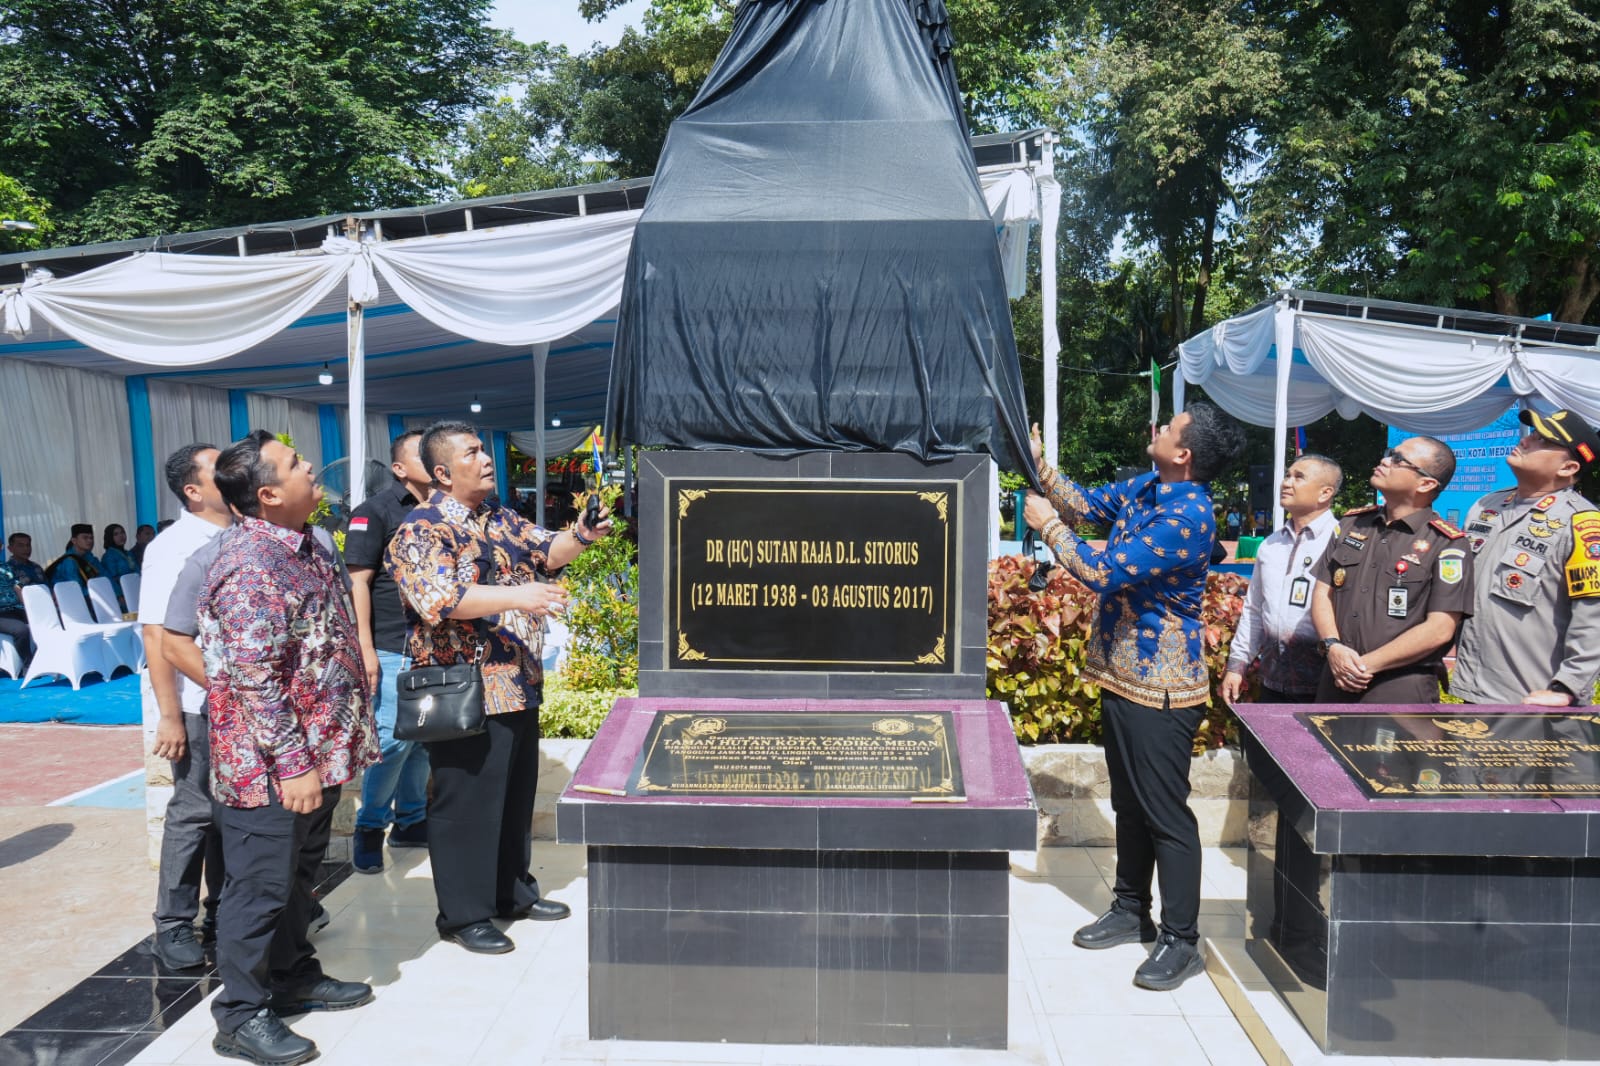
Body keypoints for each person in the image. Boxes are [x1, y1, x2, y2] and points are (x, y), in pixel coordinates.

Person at [1023, 401, 1246, 992]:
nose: (1158, 429)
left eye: (1169, 428)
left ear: (1185, 454)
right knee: (1129, 802)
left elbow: (1104, 571)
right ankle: (1130, 909)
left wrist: (1048, 527)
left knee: (1165, 814)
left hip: (1164, 690)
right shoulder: (1148, 487)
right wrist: (1043, 466)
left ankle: (1182, 939)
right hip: (1120, 675)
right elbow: (1089, 505)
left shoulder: (1189, 515)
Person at [386, 421, 610, 954]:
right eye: (472, 453)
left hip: (516, 680)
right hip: (464, 688)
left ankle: (513, 892)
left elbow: (546, 551)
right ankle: (464, 915)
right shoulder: (421, 530)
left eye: (483, 449)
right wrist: (520, 597)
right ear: (442, 472)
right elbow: (439, 599)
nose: (486, 458)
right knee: (465, 803)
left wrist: (581, 535)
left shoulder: (500, 517)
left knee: (511, 797)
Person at [199, 431, 377, 1066]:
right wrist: (295, 764)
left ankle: (293, 974)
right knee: (259, 889)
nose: (312, 467)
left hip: (318, 753)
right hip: (271, 769)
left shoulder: (307, 546)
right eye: (298, 464)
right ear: (268, 494)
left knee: (298, 878)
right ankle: (239, 1015)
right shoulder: (250, 565)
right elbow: (255, 679)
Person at [141, 444, 232, 971]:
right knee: (194, 812)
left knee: (228, 812)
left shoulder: (235, 534)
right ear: (193, 491)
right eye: (218, 471)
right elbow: (157, 633)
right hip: (197, 703)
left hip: (232, 701)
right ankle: (173, 924)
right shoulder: (175, 546)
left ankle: (222, 909)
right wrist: (170, 713)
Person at [1310, 436, 1475, 703]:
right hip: (1336, 678)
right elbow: (1322, 592)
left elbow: (1440, 628)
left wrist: (1365, 665)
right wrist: (1333, 647)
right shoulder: (1352, 524)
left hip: (1399, 690)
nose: (1385, 461)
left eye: (1399, 460)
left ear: (1426, 483)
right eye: (1389, 454)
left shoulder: (1447, 544)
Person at [1452, 409, 1600, 705]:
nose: (1528, 439)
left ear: (1568, 467)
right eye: (1532, 432)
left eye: (1543, 439)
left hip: (1532, 698)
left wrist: (1567, 688)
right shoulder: (1486, 505)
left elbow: (1593, 616)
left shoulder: (1582, 522)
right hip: (1474, 690)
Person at [345, 430, 433, 873]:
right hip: (392, 644)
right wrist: (365, 646)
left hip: (437, 643)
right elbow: (358, 581)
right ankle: (369, 826)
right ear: (398, 468)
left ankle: (411, 821)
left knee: (424, 741)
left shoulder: (444, 510)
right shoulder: (373, 512)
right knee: (393, 740)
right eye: (422, 453)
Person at [1221, 456, 1344, 704]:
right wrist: (1237, 664)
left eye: (1299, 477)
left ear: (1325, 493)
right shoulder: (1271, 544)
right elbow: (1255, 609)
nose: (1287, 483)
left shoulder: (1343, 543)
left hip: (1327, 684)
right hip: (1273, 680)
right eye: (1287, 475)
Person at [45, 523, 103, 590]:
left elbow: (105, 577)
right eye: (85, 537)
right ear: (74, 541)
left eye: (91, 538)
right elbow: (77, 589)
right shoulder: (69, 561)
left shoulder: (92, 558)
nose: (90, 541)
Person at [0, 555, 31, 661]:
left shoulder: (6, 567)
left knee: (49, 620)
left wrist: (28, 608)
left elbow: (17, 587)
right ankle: (28, 665)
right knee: (21, 630)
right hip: (1, 614)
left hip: (16, 608)